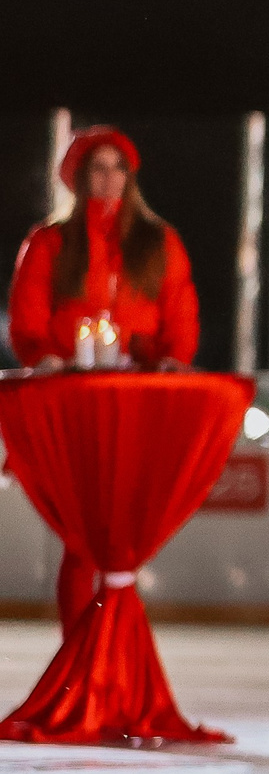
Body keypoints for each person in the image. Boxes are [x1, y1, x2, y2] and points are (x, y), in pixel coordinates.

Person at [7, 126, 200, 634]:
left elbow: (178, 320)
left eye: (119, 167)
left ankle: (114, 659)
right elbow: (27, 324)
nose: (109, 178)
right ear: (78, 176)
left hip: (135, 403)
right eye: (98, 167)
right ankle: (81, 661)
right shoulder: (49, 243)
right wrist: (46, 357)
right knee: (81, 536)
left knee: (119, 538)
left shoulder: (159, 243)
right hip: (74, 404)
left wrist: (172, 359)